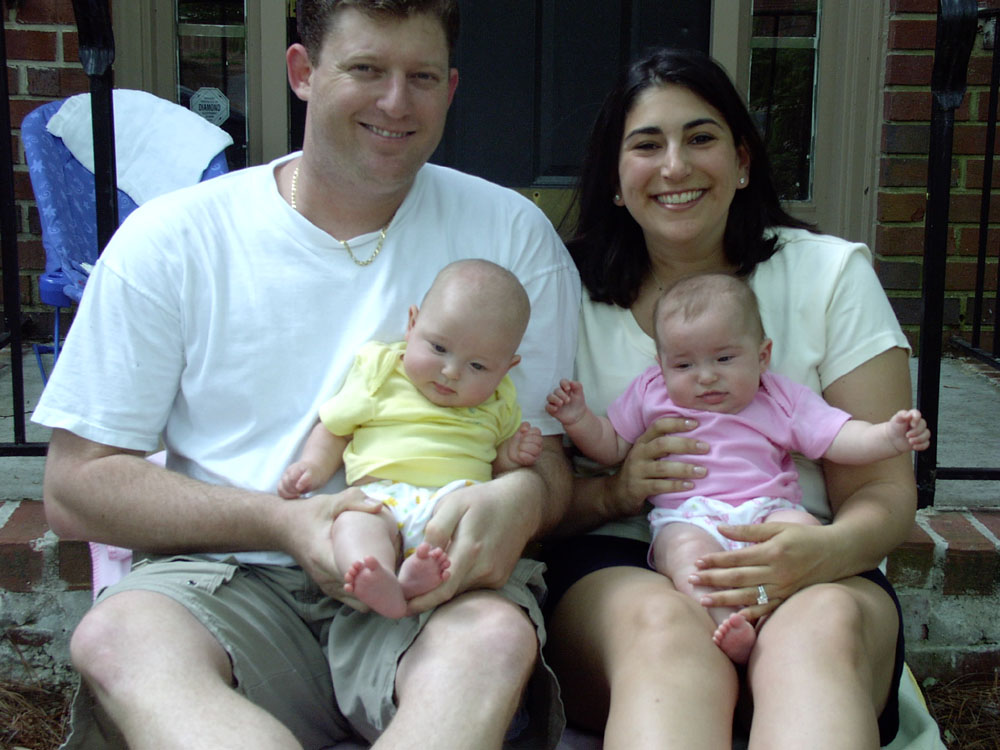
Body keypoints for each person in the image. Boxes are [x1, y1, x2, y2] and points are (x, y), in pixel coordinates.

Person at [31, 1, 580, 748]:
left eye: (421, 77)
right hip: (227, 581)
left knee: (492, 639)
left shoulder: (511, 234)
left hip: (431, 583)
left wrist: (523, 498)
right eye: (366, 69)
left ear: (450, 88)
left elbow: (545, 458)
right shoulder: (175, 237)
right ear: (302, 72)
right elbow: (75, 485)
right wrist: (284, 522)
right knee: (119, 636)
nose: (396, 102)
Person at [540, 47, 934, 749]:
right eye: (646, 145)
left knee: (815, 635)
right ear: (614, 180)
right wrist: (614, 492)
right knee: (662, 633)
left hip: (806, 553)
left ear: (742, 161)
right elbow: (527, 494)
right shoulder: (561, 294)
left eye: (700, 138)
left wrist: (821, 553)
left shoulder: (828, 275)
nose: (675, 166)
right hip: (628, 561)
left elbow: (881, 488)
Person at [546, 272, 930, 665]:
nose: (706, 376)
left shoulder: (777, 397)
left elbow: (836, 436)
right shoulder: (651, 392)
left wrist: (887, 436)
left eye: (725, 359)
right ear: (661, 366)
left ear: (762, 356)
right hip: (689, 516)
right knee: (685, 556)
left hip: (768, 510)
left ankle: (776, 616)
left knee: (803, 532)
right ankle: (727, 621)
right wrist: (578, 419)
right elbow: (610, 445)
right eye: (684, 364)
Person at [279, 259, 545, 618]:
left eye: (478, 366)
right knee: (352, 522)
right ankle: (376, 576)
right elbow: (334, 428)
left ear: (506, 368)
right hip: (379, 497)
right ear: (412, 324)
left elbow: (497, 462)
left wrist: (514, 454)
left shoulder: (500, 401)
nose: (450, 372)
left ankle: (420, 577)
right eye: (438, 348)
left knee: (463, 539)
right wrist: (312, 467)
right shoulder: (382, 373)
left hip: (454, 502)